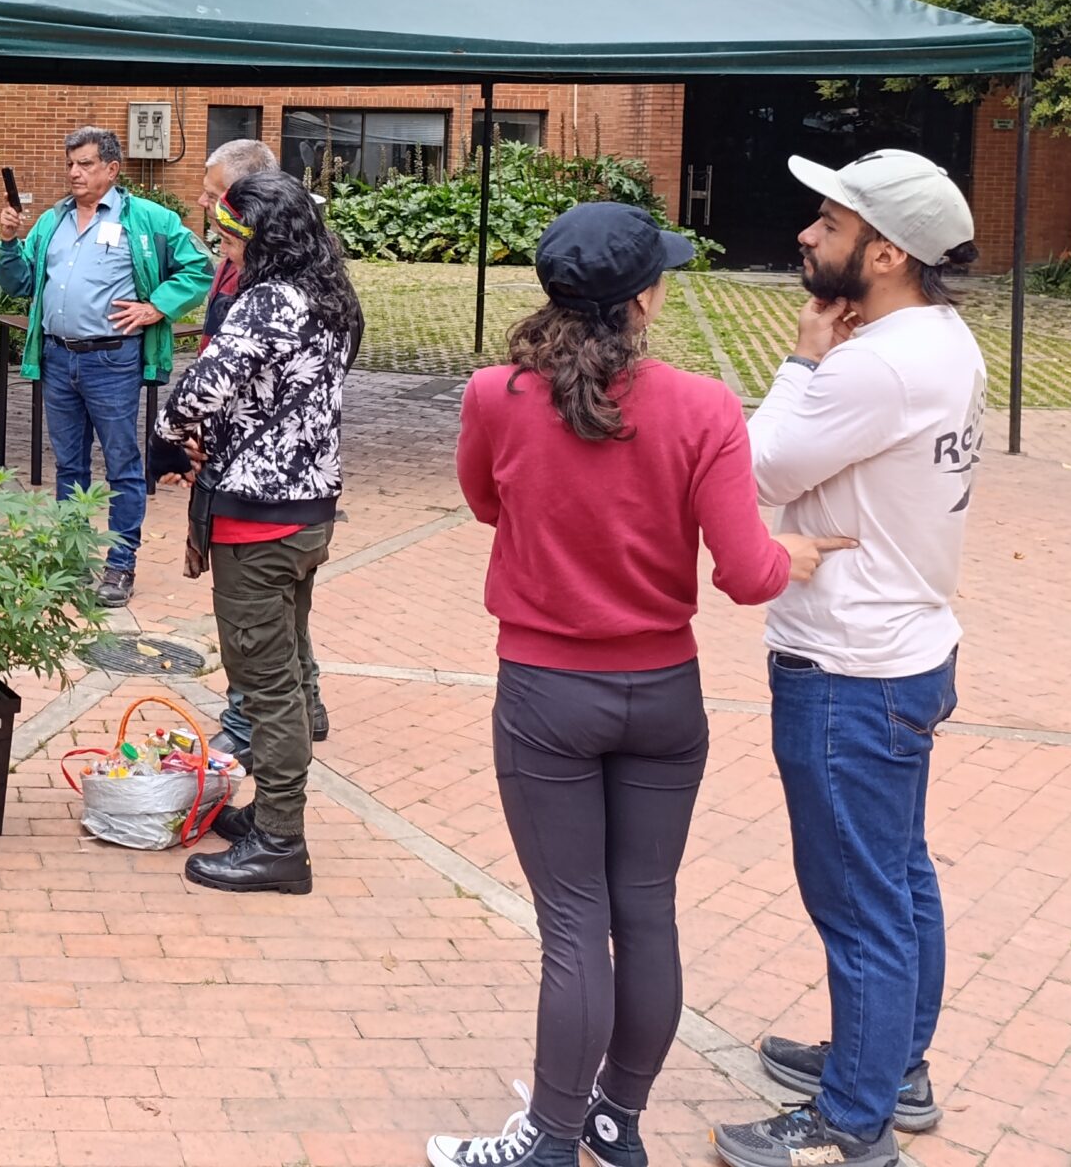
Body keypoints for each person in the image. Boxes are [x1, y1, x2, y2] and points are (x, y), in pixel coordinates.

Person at [430, 203, 849, 1167]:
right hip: (664, 691)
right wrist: (791, 555)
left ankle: (549, 1139)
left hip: (546, 692)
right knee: (645, 908)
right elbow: (746, 574)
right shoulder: (703, 407)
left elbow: (485, 502)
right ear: (644, 301)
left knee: (573, 922)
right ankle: (615, 1121)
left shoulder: (497, 395)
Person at [714, 151, 986, 1167]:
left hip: (849, 664)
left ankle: (852, 1117)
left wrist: (799, 360)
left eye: (824, 225)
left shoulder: (873, 362)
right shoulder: (941, 337)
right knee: (899, 874)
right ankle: (892, 1065)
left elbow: (758, 468)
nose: (803, 236)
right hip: (907, 645)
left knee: (858, 896)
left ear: (882, 251)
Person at [154, 167, 360, 895]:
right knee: (290, 672)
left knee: (264, 684)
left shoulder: (264, 302)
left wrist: (173, 434)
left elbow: (198, 394)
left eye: (231, 235)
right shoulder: (333, 296)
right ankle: (270, 814)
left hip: (256, 520)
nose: (223, 248)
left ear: (263, 236)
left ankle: (280, 842)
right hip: (311, 512)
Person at [0, 126, 212, 605]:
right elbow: (20, 283)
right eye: (71, 163)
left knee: (122, 465)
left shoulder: (149, 219)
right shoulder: (53, 220)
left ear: (112, 169)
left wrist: (157, 306)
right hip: (57, 357)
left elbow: (200, 267)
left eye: (86, 164)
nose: (75, 172)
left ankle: (119, 565)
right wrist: (10, 242)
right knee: (68, 465)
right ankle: (71, 562)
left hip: (112, 360)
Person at [188, 136, 330, 756]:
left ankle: (254, 732)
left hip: (261, 488)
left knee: (257, 627)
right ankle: (306, 701)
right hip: (285, 484)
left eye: (216, 196)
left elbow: (229, 380)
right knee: (284, 614)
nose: (205, 205)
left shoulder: (277, 279)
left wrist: (180, 434)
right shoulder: (268, 262)